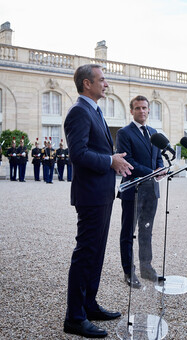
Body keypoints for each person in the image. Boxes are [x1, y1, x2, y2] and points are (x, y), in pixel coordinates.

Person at [63, 64, 133, 338]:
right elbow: (78, 154)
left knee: (97, 254)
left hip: (102, 193)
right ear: (86, 84)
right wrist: (109, 160)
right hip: (90, 195)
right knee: (85, 255)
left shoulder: (95, 110)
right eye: (102, 80)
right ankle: (75, 318)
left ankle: (89, 305)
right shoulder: (79, 112)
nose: (106, 84)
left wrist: (116, 161)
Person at [116, 95, 164, 288]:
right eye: (138, 108)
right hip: (132, 190)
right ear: (131, 111)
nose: (142, 111)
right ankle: (129, 272)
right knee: (128, 232)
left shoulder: (154, 133)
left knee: (146, 231)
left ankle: (146, 268)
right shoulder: (124, 133)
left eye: (144, 108)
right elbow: (129, 163)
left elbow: (157, 157)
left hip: (151, 190)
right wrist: (152, 172)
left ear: (149, 110)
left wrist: (160, 169)